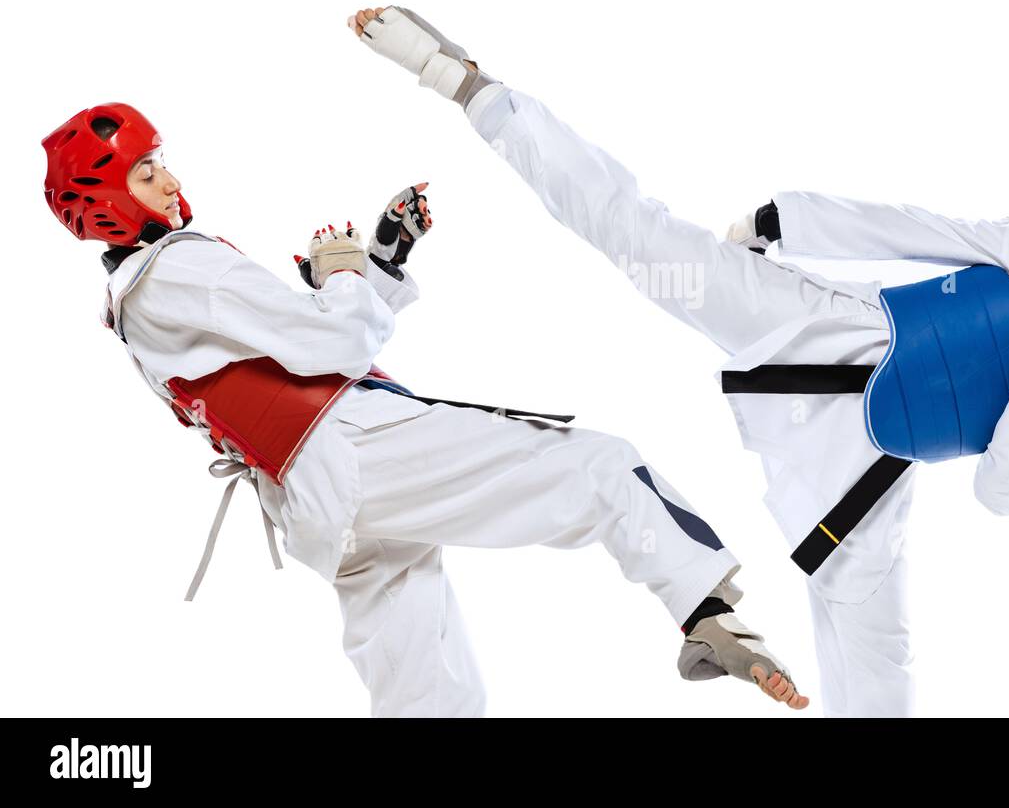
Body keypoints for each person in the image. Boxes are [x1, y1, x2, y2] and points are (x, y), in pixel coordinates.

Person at [350, 4, 1009, 717]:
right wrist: (786, 220)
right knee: (641, 239)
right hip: (821, 328)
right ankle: (468, 82)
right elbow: (928, 232)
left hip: (867, 471)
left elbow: (1007, 496)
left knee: (881, 672)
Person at [42, 100, 811, 716]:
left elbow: (297, 353)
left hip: (320, 504)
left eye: (162, 161)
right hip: (349, 451)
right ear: (105, 199)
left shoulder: (137, 300)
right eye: (147, 173)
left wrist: (374, 264)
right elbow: (334, 343)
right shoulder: (182, 268)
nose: (171, 181)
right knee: (598, 465)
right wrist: (341, 276)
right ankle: (706, 610)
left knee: (429, 697)